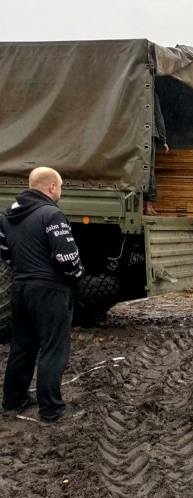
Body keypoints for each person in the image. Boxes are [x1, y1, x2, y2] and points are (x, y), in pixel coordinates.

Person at [1, 167, 86, 425]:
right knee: (53, 348)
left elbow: (5, 254)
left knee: (23, 346)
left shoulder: (7, 216)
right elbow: (66, 257)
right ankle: (52, 411)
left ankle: (14, 401)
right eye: (60, 187)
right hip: (50, 290)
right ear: (51, 187)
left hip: (21, 288)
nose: (59, 191)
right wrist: (77, 277)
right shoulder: (52, 214)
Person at [144, 91, 170, 216]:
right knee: (149, 169)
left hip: (131, 134)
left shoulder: (127, 87)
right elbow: (158, 116)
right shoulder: (151, 93)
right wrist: (163, 139)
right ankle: (149, 206)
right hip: (148, 133)